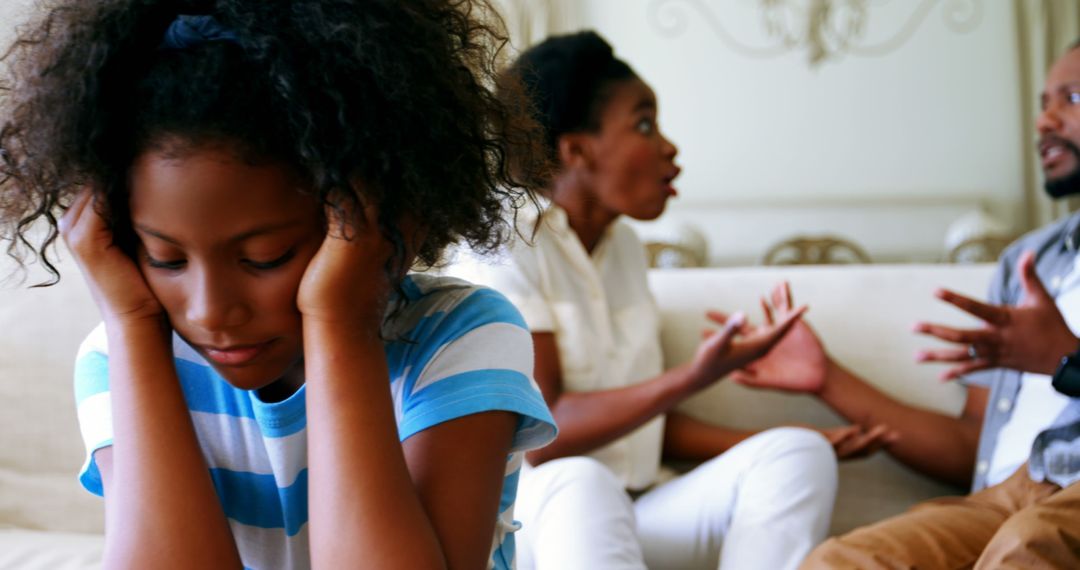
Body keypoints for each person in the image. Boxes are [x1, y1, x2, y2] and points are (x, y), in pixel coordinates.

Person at [0, 1, 558, 568]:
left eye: (265, 258)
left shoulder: (460, 339)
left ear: (370, 217)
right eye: (165, 258)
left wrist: (341, 323)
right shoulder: (120, 356)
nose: (212, 312)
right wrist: (130, 324)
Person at [452, 31, 888, 570]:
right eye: (643, 124)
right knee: (582, 482)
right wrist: (694, 376)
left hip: (641, 504)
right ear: (576, 150)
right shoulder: (506, 247)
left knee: (796, 455)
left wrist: (798, 433)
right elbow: (545, 437)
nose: (669, 147)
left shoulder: (626, 248)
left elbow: (646, 420)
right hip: (544, 512)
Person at [737, 42, 1080, 569]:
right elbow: (971, 444)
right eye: (1043, 102)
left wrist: (1067, 361)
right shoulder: (1030, 261)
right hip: (1006, 495)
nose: (1043, 121)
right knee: (843, 560)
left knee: (1030, 547)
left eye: (1073, 98)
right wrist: (826, 377)